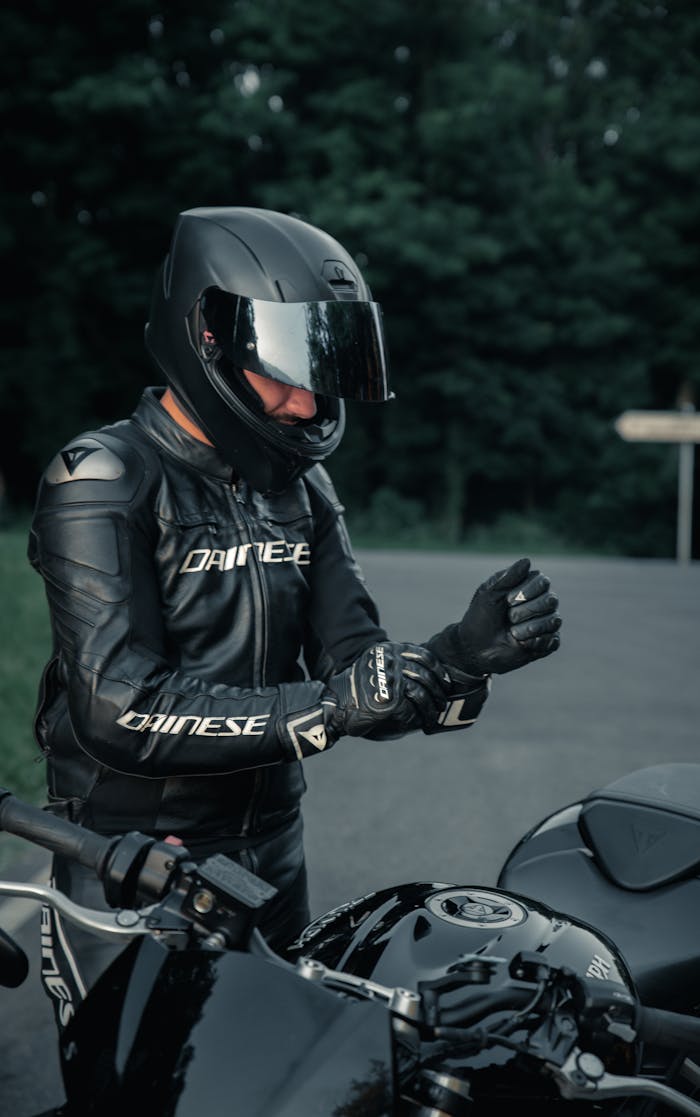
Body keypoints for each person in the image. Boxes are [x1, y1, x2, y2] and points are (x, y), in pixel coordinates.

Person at [28, 206, 561, 1029]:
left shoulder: (301, 489)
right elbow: (119, 708)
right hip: (135, 863)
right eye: (289, 363)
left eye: (324, 360)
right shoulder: (102, 479)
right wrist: (325, 707)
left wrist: (459, 657)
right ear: (208, 336)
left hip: (273, 856)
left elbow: (358, 672)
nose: (311, 396)